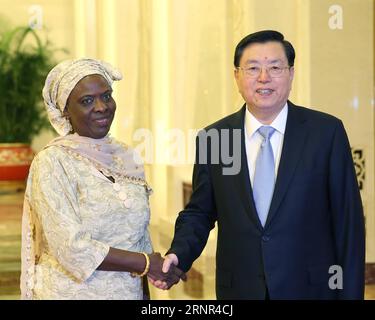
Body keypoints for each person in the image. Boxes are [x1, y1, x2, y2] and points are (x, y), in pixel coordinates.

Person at [154, 30, 365, 299]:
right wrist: (178, 254)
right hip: (240, 290)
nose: (264, 78)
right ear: (237, 76)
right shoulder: (217, 138)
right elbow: (200, 212)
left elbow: (348, 224)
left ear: (291, 74)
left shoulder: (325, 133)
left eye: (275, 67)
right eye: (253, 68)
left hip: (312, 289)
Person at [20, 58, 186, 300]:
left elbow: (138, 236)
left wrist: (153, 272)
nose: (101, 107)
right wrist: (146, 263)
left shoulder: (126, 156)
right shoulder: (52, 162)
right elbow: (71, 248)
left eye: (106, 96)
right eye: (87, 101)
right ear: (65, 109)